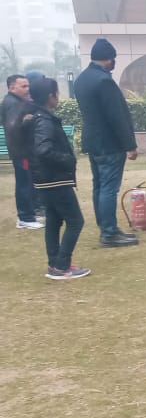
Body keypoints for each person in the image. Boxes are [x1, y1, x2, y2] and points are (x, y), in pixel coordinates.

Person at [73, 38, 139, 248]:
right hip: (109, 143)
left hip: (93, 142)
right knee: (109, 188)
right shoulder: (104, 81)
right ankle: (109, 233)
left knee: (99, 186)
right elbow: (116, 116)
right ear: (109, 59)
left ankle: (106, 227)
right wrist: (130, 145)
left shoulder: (82, 79)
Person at [23, 76, 89, 279]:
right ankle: (62, 266)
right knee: (75, 221)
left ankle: (54, 263)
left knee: (54, 221)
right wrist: (67, 160)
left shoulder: (35, 117)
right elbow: (43, 150)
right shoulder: (44, 120)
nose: (58, 97)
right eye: (57, 93)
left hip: (44, 180)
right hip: (55, 179)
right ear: (50, 96)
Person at [2, 73, 42, 229]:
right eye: (23, 86)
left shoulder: (17, 102)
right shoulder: (13, 104)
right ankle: (25, 217)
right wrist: (28, 121)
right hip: (22, 152)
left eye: (28, 86)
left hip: (23, 150)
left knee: (28, 181)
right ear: (12, 87)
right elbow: (13, 127)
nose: (27, 89)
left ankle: (31, 212)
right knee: (24, 182)